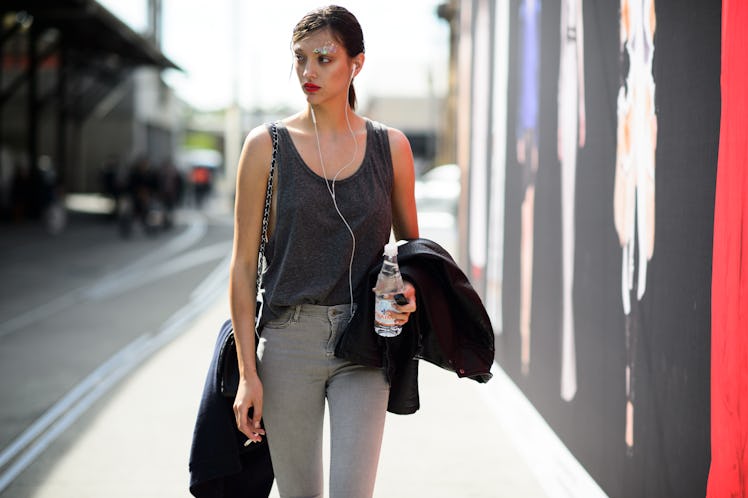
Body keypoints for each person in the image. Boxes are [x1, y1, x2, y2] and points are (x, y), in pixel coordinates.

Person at [229, 6, 419, 498]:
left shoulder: (390, 147)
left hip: (364, 342)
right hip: (288, 342)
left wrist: (411, 290)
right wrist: (249, 374)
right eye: (300, 59)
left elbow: (412, 251)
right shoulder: (264, 147)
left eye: (324, 58)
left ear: (356, 63)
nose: (308, 72)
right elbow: (243, 264)